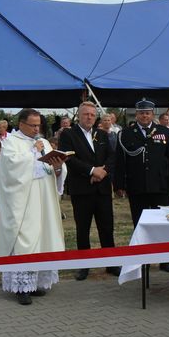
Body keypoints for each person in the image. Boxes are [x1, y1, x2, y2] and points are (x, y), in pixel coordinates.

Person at [0, 108, 67, 305]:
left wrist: (58, 167)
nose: (37, 128)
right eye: (33, 125)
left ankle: (35, 282)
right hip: (24, 202)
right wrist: (33, 152)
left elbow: (51, 170)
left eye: (39, 125)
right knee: (25, 240)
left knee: (42, 239)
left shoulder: (43, 142)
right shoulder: (11, 142)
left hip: (44, 199)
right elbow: (11, 169)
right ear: (21, 124)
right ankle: (21, 287)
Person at [114, 98, 169, 273]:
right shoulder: (126, 134)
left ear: (153, 114)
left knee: (162, 224)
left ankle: (165, 260)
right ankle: (143, 260)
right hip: (137, 187)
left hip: (160, 185)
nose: (145, 115)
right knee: (140, 224)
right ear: (136, 114)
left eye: (148, 113)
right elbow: (120, 161)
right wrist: (119, 184)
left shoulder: (163, 132)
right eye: (142, 112)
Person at [58, 101, 117, 281]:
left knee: (106, 228)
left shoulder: (102, 133)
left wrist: (103, 171)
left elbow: (112, 156)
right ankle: (83, 266)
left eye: (92, 114)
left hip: (102, 189)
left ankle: (112, 264)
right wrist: (92, 171)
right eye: (86, 114)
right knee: (83, 229)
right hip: (82, 190)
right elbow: (68, 158)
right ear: (79, 115)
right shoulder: (68, 134)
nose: (89, 117)